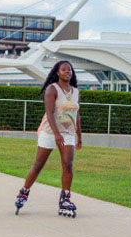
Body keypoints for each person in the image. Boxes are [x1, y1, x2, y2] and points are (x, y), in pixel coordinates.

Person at [14, 60, 82, 217]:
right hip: (49, 131)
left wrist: (79, 135)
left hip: (68, 132)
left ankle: (65, 197)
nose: (67, 72)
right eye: (64, 69)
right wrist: (56, 134)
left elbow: (76, 114)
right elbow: (50, 112)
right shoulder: (52, 89)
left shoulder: (75, 91)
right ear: (57, 72)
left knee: (68, 164)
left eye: (69, 69)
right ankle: (24, 191)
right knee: (39, 164)